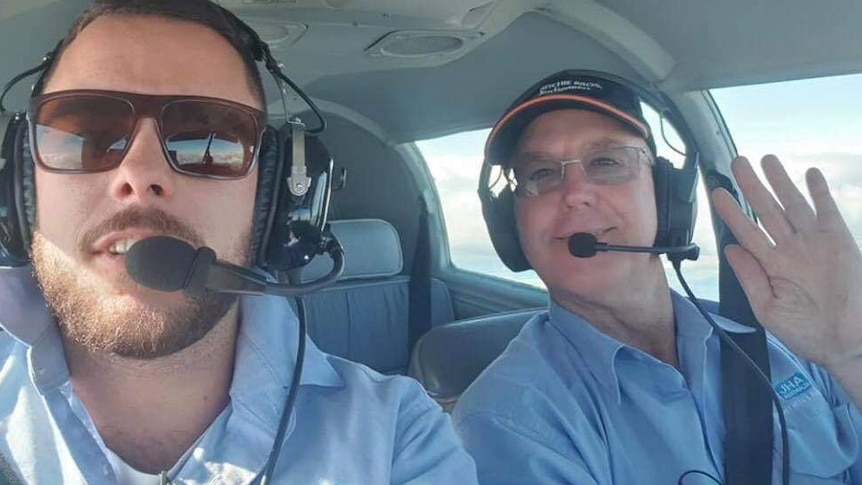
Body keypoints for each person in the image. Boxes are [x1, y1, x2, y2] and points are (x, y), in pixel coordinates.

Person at [0, 1, 477, 483]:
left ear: (273, 202)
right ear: (22, 182)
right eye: (84, 134)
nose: (140, 175)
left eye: (208, 142)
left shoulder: (395, 438)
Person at [452, 70, 862, 484]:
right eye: (540, 173)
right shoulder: (510, 421)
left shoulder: (796, 339)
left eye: (607, 162)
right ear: (510, 222)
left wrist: (852, 355)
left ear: (668, 197)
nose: (574, 193)